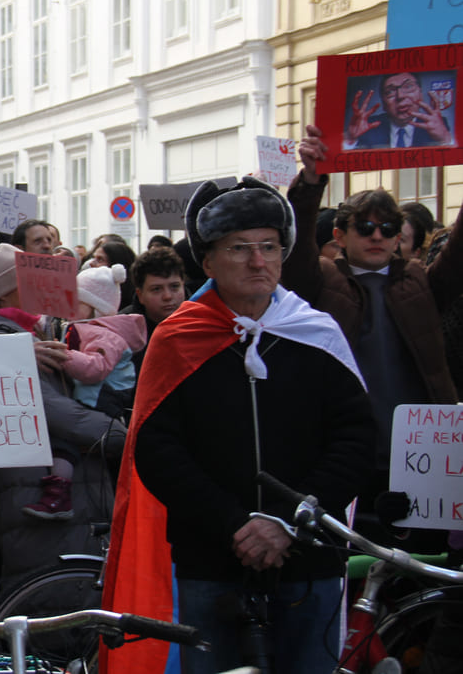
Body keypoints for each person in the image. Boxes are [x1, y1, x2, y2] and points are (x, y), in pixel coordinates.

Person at [102, 176, 375, 674]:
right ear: (208, 263)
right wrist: (234, 523)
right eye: (240, 248)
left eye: (269, 247)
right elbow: (158, 448)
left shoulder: (316, 334)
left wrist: (286, 521)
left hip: (308, 556)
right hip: (211, 557)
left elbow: (355, 440)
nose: (258, 261)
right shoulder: (179, 338)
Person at [284, 126, 463, 528]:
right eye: (365, 227)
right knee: (350, 550)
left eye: (387, 229)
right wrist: (311, 181)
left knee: (420, 555)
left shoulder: (420, 280)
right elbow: (294, 251)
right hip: (345, 446)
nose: (377, 236)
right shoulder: (323, 280)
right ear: (340, 235)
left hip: (421, 447)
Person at [0, 244, 126, 583]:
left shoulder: (39, 330)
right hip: (33, 488)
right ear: (9, 289)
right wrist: (118, 435)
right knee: (50, 588)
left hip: (70, 483)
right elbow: (52, 408)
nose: (44, 284)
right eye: (32, 277)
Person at [22, 263, 144, 520]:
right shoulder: (83, 328)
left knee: (65, 443)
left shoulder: (106, 335)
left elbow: (95, 369)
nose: (68, 305)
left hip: (106, 404)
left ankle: (59, 494)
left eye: (76, 300)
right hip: (90, 402)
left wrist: (64, 355)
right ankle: (59, 494)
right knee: (64, 443)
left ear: (96, 306)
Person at [120, 246, 186, 373]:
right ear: (140, 295)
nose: (167, 296)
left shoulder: (201, 321)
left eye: (174, 287)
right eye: (156, 289)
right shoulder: (124, 331)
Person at [347, 72, 453, 150]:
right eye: (390, 92)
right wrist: (350, 139)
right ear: (383, 103)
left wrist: (445, 138)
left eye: (408, 86)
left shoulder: (438, 125)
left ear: (420, 94)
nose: (400, 96)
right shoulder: (368, 127)